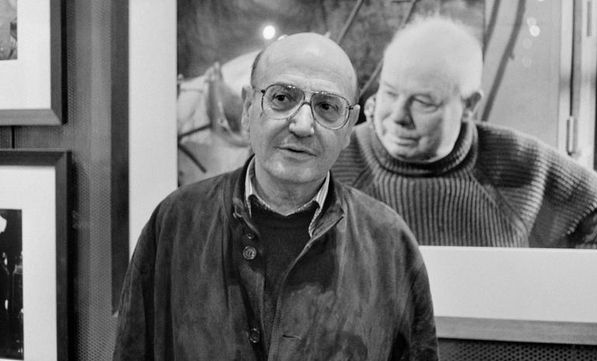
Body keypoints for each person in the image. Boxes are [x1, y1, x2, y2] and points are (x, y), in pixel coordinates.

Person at [114, 33, 438, 360]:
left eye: (327, 107)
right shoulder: (176, 223)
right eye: (283, 98)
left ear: (349, 126)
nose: (302, 124)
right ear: (247, 107)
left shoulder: (389, 244)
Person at [332, 16, 597, 249]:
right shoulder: (332, 162)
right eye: (390, 93)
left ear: (469, 105)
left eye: (423, 102)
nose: (397, 117)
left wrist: (559, 306)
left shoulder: (518, 165)